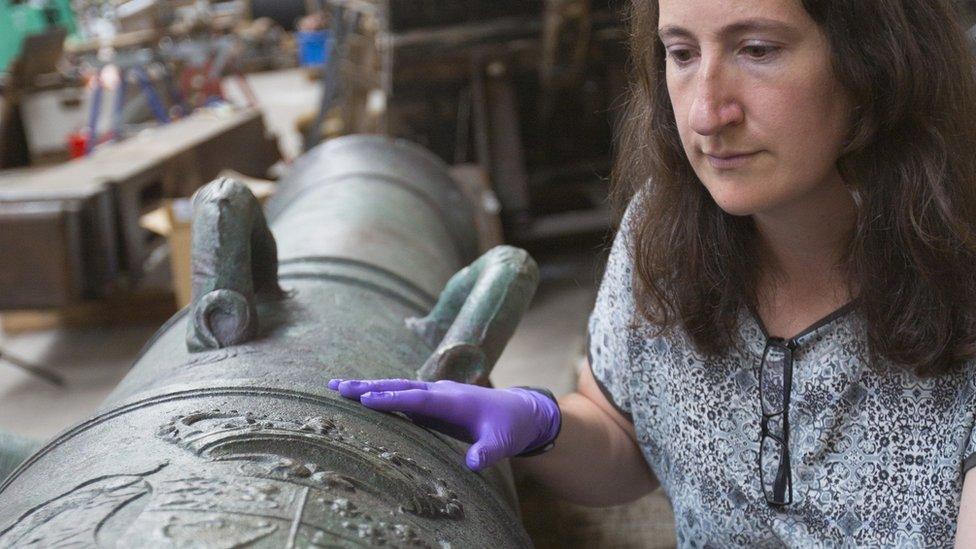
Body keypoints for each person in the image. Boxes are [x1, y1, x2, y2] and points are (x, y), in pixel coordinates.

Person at [329, 0, 976, 545]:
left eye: (757, 49)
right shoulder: (660, 235)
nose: (705, 112)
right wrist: (541, 424)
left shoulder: (962, 285)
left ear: (875, 61)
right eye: (683, 54)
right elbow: (624, 439)